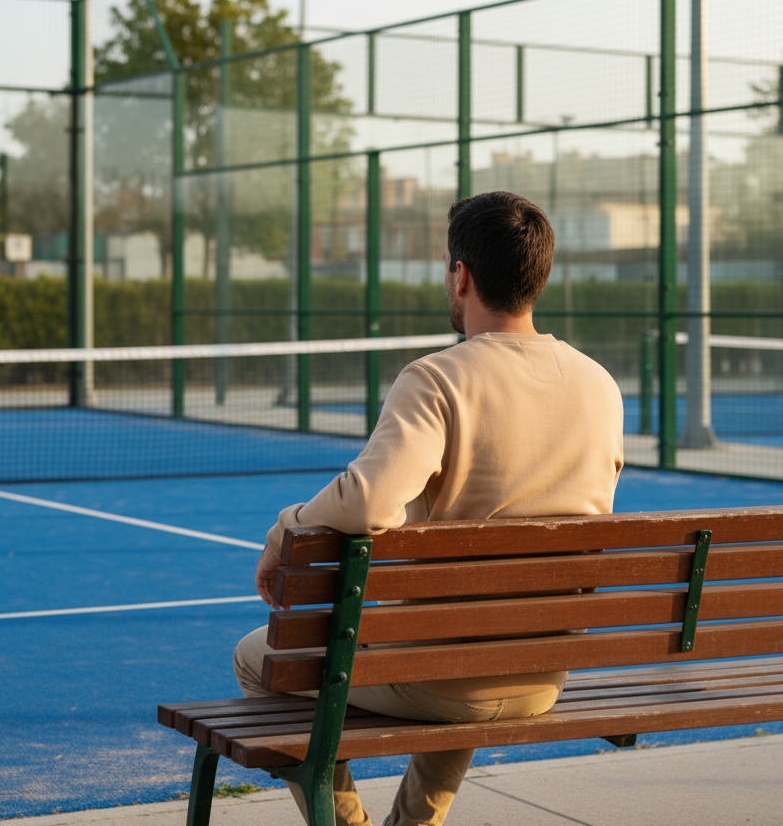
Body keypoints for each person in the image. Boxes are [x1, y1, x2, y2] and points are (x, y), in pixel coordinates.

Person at [233, 191, 623, 826]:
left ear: (460, 275)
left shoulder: (437, 379)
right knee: (464, 637)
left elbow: (367, 501)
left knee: (259, 656)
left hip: (441, 675)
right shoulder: (599, 385)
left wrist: (286, 528)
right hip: (542, 674)